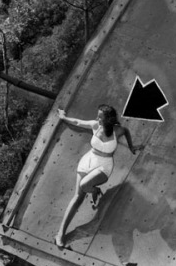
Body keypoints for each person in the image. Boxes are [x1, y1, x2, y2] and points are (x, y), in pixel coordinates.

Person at [55, 104, 143, 247]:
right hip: (88, 160)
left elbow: (126, 131)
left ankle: (94, 189)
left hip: (104, 166)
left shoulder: (117, 130)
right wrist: (63, 117)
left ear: (108, 119)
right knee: (77, 197)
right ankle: (60, 234)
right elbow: (78, 122)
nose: (97, 118)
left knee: (84, 185)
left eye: (100, 117)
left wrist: (131, 146)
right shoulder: (96, 125)